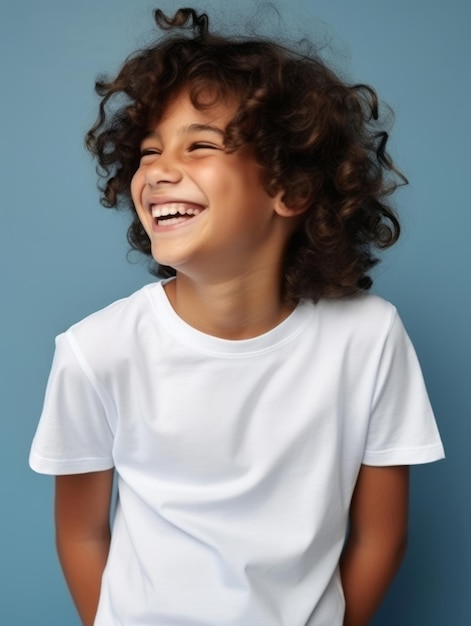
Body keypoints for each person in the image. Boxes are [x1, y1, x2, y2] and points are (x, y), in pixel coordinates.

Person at [29, 7, 444, 626]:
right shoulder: (97, 350)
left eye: (199, 145)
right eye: (147, 151)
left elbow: (380, 538)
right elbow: (82, 534)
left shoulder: (369, 337)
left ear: (292, 189)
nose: (159, 170)